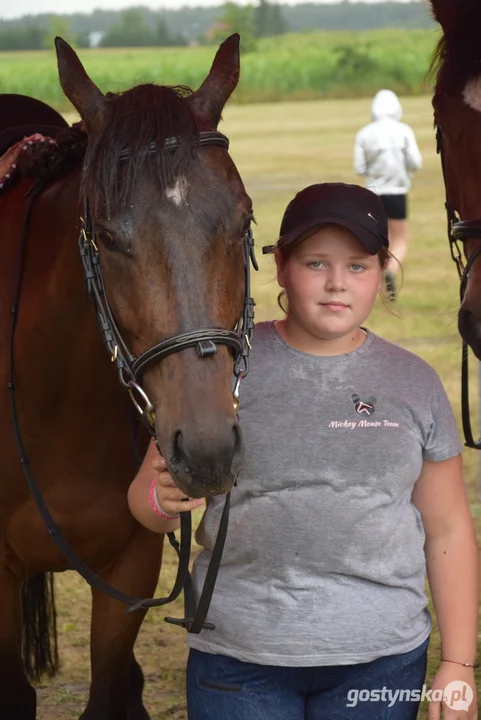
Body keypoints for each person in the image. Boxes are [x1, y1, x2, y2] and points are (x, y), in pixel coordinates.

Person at [128, 183, 478, 720]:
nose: (337, 283)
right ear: (282, 265)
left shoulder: (415, 383)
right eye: (317, 263)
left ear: (382, 270)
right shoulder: (222, 370)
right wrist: (158, 497)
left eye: (358, 266)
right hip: (239, 660)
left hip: (381, 658)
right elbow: (145, 506)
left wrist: (457, 663)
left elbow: (448, 528)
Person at [354, 89, 422, 300]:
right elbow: (415, 162)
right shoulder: (404, 131)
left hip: (373, 194)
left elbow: (359, 167)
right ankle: (390, 271)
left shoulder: (364, 133)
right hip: (397, 193)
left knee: (379, 241)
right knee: (399, 239)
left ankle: (375, 283)